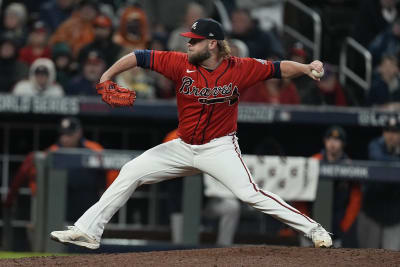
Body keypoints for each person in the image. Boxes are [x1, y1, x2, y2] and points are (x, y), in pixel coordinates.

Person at [50, 18, 332, 250]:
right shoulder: (178, 63)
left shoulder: (241, 68)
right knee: (131, 171)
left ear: (212, 44)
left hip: (219, 148)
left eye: (194, 40)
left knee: (250, 194)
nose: (188, 43)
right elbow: (137, 56)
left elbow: (279, 68)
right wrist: (105, 77)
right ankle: (88, 231)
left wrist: (307, 68)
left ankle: (314, 229)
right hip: (183, 146)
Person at [4, 117, 106, 222]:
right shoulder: (52, 153)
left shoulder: (94, 150)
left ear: (79, 133)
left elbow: (105, 182)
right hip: (59, 213)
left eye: (69, 134)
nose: (64, 139)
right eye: (62, 134)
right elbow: (37, 185)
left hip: (89, 212)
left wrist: (104, 212)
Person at [313, 126, 361, 248]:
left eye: (337, 140)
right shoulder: (314, 161)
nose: (332, 143)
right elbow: (301, 194)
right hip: (312, 227)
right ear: (325, 141)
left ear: (343, 143)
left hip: (336, 229)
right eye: (329, 139)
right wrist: (303, 222)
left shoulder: (349, 166)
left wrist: (344, 226)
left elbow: (356, 199)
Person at [358, 117, 400, 250]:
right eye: (388, 131)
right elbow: (378, 158)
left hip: (395, 216)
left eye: (395, 132)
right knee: (367, 258)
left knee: (392, 259)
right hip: (372, 213)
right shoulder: (375, 144)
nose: (391, 135)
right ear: (383, 132)